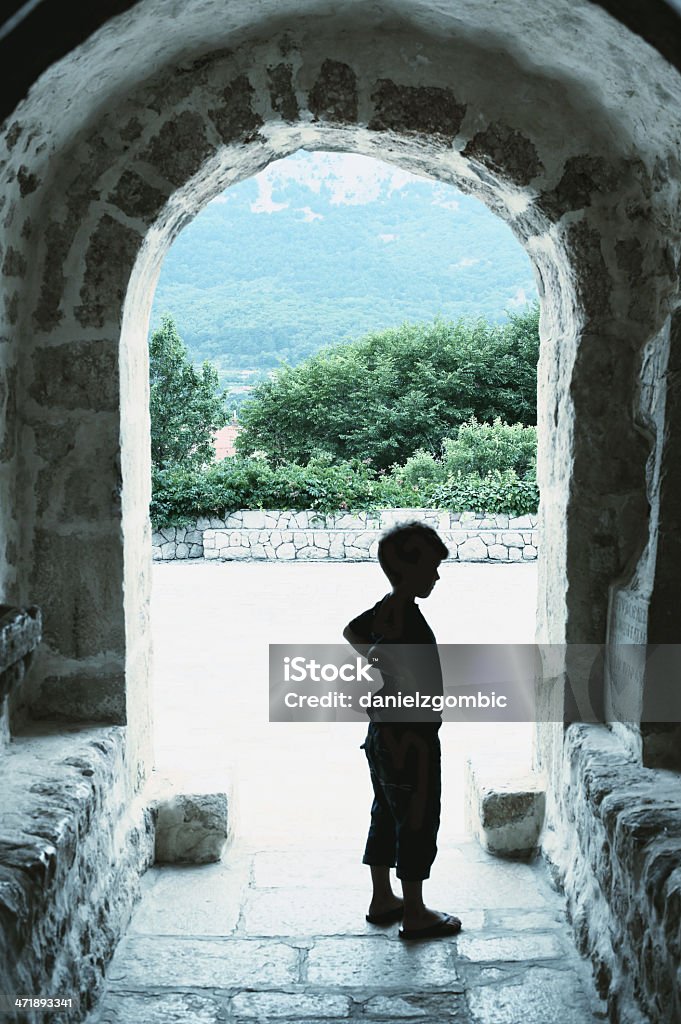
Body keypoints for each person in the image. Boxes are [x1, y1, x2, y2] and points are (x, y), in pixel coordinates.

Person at [342, 521, 462, 940]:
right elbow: (380, 652)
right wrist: (389, 671)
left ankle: (382, 897)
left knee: (387, 812)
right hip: (411, 738)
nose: (436, 576)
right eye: (431, 568)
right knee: (416, 818)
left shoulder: (387, 607)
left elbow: (352, 632)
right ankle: (414, 911)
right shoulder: (405, 620)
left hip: (382, 735)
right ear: (408, 570)